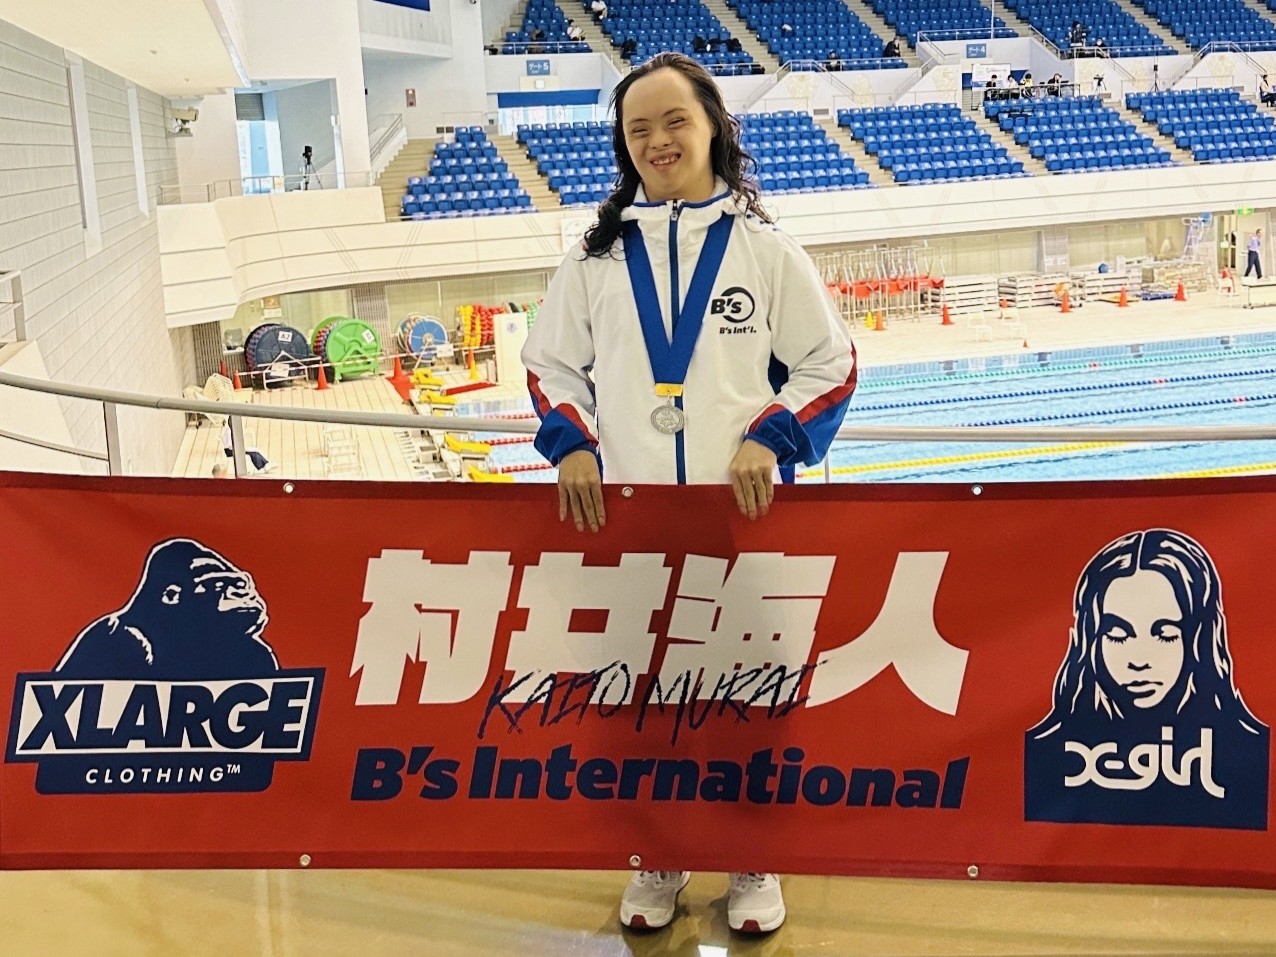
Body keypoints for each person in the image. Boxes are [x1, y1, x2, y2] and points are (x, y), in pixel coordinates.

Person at [521, 52, 855, 933]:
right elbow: (550, 365)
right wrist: (573, 442)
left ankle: (752, 857)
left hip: (743, 526)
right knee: (639, 701)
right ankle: (657, 853)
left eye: (675, 121)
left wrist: (770, 434)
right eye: (639, 129)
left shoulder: (764, 250)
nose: (659, 140)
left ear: (712, 126)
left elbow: (830, 364)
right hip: (631, 525)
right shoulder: (594, 260)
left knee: (749, 700)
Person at [1024, 529, 1269, 830]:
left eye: (1165, 635)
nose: (1139, 660)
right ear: (1089, 641)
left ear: (1201, 639)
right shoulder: (1043, 752)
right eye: (1117, 635)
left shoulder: (1251, 751)